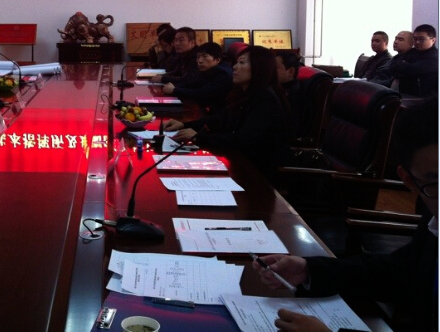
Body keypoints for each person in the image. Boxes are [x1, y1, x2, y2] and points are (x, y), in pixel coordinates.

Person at [253, 97, 438, 332]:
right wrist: (309, 271)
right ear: (409, 181)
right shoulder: (433, 218)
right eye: (435, 182)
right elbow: (400, 272)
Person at [164, 46, 289, 181]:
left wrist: (199, 137)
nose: (234, 67)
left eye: (242, 62)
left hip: (256, 173)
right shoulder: (245, 93)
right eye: (237, 62)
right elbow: (220, 118)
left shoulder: (266, 99)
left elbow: (243, 139)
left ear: (259, 68)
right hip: (238, 161)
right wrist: (184, 125)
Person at [161, 42, 232, 114]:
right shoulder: (209, 69)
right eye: (198, 57)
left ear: (217, 60)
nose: (200, 61)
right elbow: (194, 83)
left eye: (205, 56)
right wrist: (173, 87)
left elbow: (202, 93)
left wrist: (175, 90)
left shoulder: (223, 73)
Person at [389, 24, 438, 97]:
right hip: (404, 93)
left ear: (433, 40)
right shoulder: (412, 51)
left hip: (423, 98)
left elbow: (412, 69)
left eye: (421, 39)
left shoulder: (435, 57)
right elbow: (393, 66)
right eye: (415, 39)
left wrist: (404, 66)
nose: (417, 42)